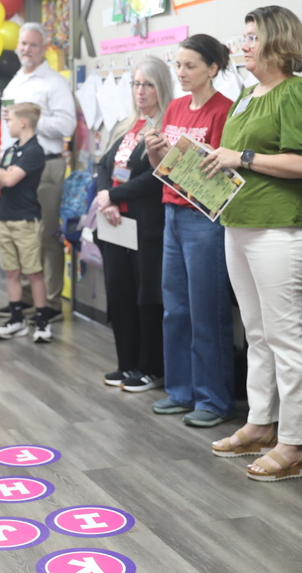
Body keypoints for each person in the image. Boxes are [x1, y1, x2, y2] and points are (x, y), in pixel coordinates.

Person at [202, 6, 302, 486]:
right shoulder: (247, 96)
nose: (243, 45)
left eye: (252, 37)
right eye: (244, 35)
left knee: (287, 336)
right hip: (240, 223)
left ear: (278, 41)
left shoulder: (297, 92)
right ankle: (260, 424)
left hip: (281, 228)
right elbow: (232, 161)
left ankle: (296, 444)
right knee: (256, 332)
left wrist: (243, 156)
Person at [145, 35, 236, 424]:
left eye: (190, 66)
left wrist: (177, 158)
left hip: (205, 218)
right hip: (172, 213)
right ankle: (180, 390)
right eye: (178, 66)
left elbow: (221, 173)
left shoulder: (224, 111)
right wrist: (155, 151)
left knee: (206, 311)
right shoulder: (176, 107)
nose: (181, 73)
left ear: (212, 69)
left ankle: (212, 400)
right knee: (176, 309)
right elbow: (162, 168)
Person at [96, 57, 172, 393]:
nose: (140, 91)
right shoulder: (128, 125)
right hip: (115, 223)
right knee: (120, 293)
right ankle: (126, 362)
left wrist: (111, 195)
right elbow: (102, 163)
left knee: (147, 296)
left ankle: (149, 367)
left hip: (147, 226)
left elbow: (156, 178)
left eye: (148, 84)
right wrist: (105, 197)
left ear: (162, 87)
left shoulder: (166, 127)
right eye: (136, 84)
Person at [0, 23, 76, 322]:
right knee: (23, 236)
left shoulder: (53, 83)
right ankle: (28, 298)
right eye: (23, 44)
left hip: (45, 166)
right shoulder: (15, 81)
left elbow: (66, 126)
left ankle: (53, 303)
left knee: (46, 236)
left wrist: (30, 120)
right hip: (16, 168)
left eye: (33, 44)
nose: (26, 49)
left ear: (44, 49)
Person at [0, 102, 53, 343]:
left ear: (23, 122)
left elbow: (10, 180)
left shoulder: (35, 150)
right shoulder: (11, 149)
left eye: (10, 120)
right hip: (4, 217)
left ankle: (42, 321)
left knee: (33, 272)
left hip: (25, 219)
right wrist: (0, 173)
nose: (8, 124)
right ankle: (16, 319)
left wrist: (1, 173)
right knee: (11, 271)